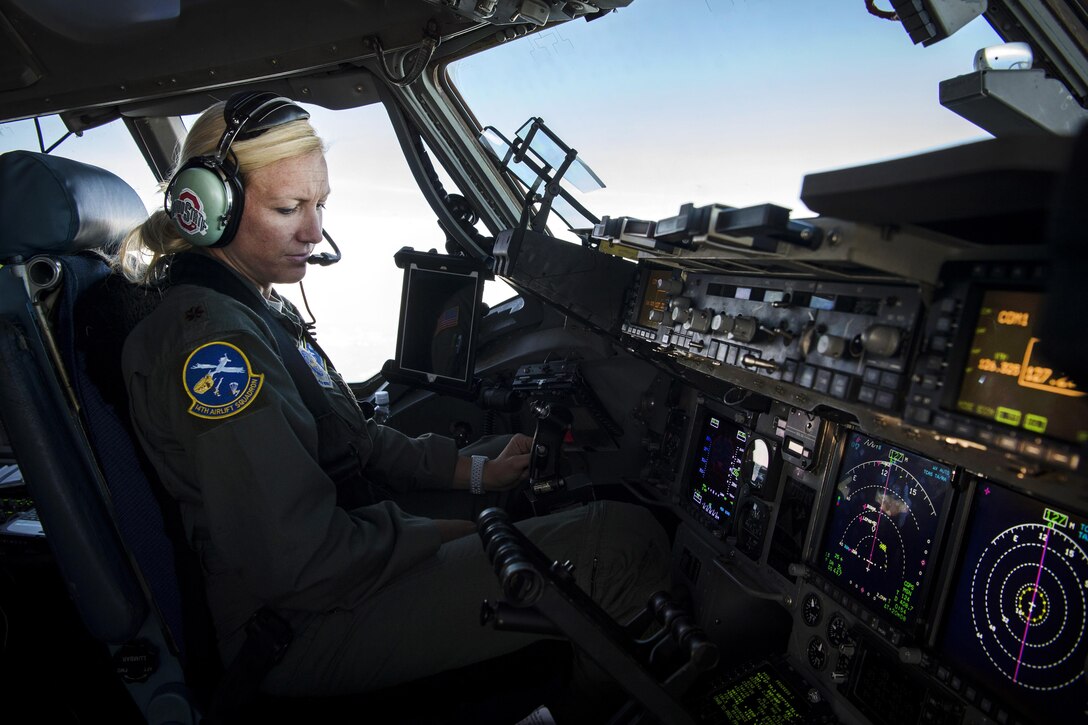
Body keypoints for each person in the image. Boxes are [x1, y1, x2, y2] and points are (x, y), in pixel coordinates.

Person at [116, 91, 672, 700]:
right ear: (210, 209)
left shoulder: (246, 306)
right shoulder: (217, 346)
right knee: (621, 544)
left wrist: (471, 472)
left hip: (329, 565)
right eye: (287, 207)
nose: (314, 230)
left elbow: (347, 434)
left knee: (511, 483)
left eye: (320, 204)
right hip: (295, 628)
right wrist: (447, 531)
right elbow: (302, 563)